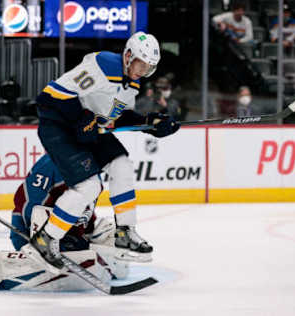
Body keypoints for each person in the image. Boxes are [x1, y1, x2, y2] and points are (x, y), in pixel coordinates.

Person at [22, 31, 180, 273]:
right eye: (140, 64)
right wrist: (80, 119)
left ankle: (125, 232)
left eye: (148, 68)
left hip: (90, 129)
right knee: (89, 187)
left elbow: (116, 117)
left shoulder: (132, 84)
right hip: (58, 127)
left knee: (122, 165)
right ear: (128, 56)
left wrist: (151, 123)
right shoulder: (103, 65)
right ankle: (45, 240)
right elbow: (51, 96)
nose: (142, 71)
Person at [0, 154, 128, 292]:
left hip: (67, 235)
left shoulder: (94, 177)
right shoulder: (51, 164)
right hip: (34, 233)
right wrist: (39, 239)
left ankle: (89, 265)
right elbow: (28, 205)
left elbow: (86, 213)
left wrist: (86, 237)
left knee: (109, 235)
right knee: (43, 215)